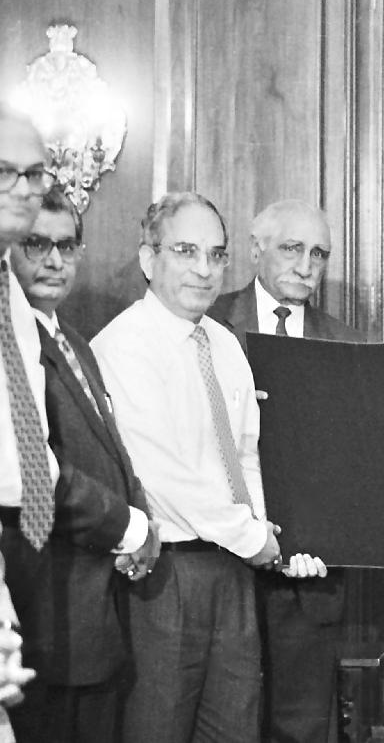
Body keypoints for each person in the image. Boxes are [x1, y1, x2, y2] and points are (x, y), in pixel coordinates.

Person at [91, 192, 326, 743]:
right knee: (157, 728)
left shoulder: (223, 344)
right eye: (185, 251)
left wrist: (271, 534)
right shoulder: (123, 346)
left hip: (234, 571)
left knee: (235, 731)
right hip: (165, 576)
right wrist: (254, 538)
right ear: (149, 259)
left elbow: (246, 454)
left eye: (216, 255)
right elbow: (164, 477)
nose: (204, 268)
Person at [208, 199, 364, 743]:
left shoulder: (349, 345)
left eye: (318, 254)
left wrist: (327, 537)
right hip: (219, 565)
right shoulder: (207, 323)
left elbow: (356, 466)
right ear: (256, 249)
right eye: (292, 249)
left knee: (302, 727)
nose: (305, 265)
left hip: (310, 573)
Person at [7, 188, 159, 743]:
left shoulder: (73, 339)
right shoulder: (9, 345)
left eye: (66, 246)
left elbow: (111, 451)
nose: (54, 260)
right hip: (45, 614)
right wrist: (132, 527)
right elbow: (37, 475)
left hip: (96, 612)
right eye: (36, 244)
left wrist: (140, 518)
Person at [0, 105, 52, 739]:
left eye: (35, 173)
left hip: (19, 546)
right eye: (4, 171)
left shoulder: (13, 288)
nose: (22, 188)